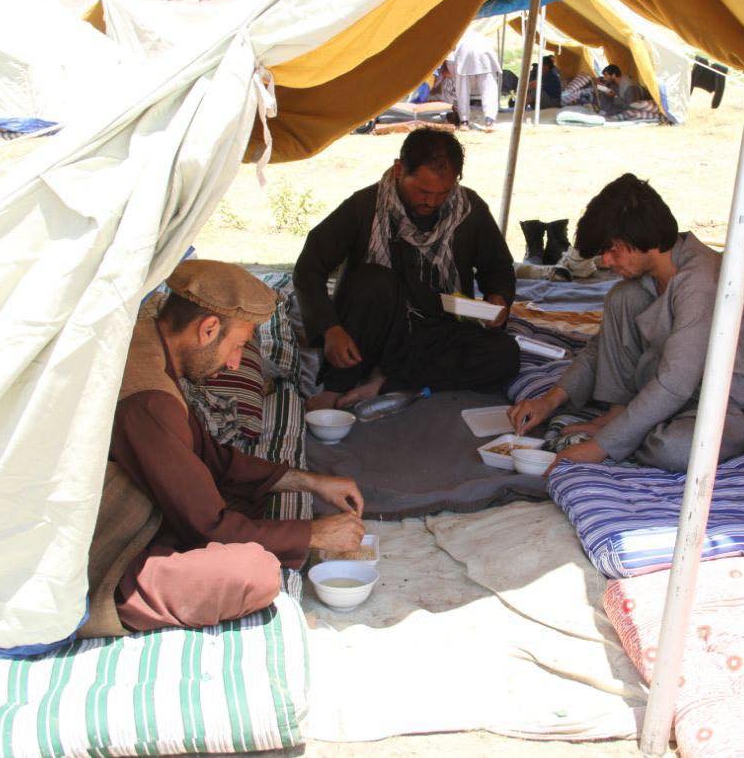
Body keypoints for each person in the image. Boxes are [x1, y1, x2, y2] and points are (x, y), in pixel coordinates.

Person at [82, 260, 366, 638]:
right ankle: (118, 601)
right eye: (238, 346)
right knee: (254, 572)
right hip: (110, 555)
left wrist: (311, 482)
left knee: (245, 500)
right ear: (208, 329)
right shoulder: (149, 401)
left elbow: (211, 457)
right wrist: (312, 534)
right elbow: (208, 525)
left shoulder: (153, 344)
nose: (235, 363)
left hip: (149, 514)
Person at [508, 174, 744, 472]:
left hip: (730, 405)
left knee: (674, 448)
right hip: (677, 395)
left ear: (643, 239)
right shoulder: (647, 281)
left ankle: (630, 429)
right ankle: (621, 417)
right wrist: (549, 401)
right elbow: (601, 349)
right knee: (622, 296)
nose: (606, 262)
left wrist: (600, 447)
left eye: (613, 249)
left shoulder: (701, 282)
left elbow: (674, 383)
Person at [295, 128, 519, 409]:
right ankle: (338, 386)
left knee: (505, 354)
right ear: (399, 169)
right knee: (373, 281)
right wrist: (330, 328)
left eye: (443, 192)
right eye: (423, 191)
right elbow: (309, 267)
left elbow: (498, 265)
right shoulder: (364, 207)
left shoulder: (469, 209)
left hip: (439, 326)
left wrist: (498, 298)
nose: (431, 202)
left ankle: (385, 382)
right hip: (375, 329)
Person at [447, 30, 501, 130]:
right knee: (489, 90)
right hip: (485, 52)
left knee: (462, 92)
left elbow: (450, 61)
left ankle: (464, 122)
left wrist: (456, 77)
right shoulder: (480, 35)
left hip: (464, 54)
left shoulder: (455, 37)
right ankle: (490, 121)